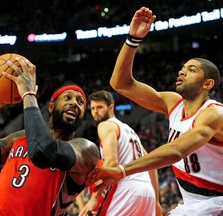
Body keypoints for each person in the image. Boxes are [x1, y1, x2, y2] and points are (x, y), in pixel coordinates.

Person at [85, 6, 223, 216]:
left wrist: (121, 171)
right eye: (183, 68)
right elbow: (121, 84)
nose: (182, 71)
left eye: (192, 70)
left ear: (207, 84)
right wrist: (132, 39)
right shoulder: (173, 103)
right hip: (193, 203)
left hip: (217, 200)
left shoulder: (214, 114)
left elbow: (176, 150)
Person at [0, 56, 100, 216]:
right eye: (68, 98)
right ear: (50, 107)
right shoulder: (20, 137)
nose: (74, 103)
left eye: (80, 102)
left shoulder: (85, 149)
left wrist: (29, 94)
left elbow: (41, 152)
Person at [79, 90, 161, 216]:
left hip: (126, 188)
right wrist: (156, 201)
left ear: (111, 108)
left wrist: (94, 198)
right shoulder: (129, 130)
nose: (95, 112)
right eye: (93, 108)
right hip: (147, 191)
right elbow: (152, 166)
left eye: (100, 107)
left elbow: (112, 163)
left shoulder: (105, 125)